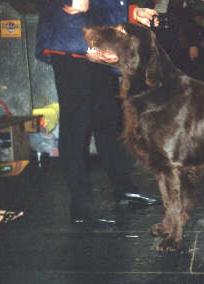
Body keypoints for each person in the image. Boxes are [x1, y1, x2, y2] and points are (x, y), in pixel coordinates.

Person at [36, 0, 160, 225]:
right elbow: (72, 8)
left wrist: (133, 12)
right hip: (71, 47)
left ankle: (123, 189)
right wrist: (88, 48)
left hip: (89, 45)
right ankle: (80, 206)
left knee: (108, 121)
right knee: (76, 125)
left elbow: (102, 5)